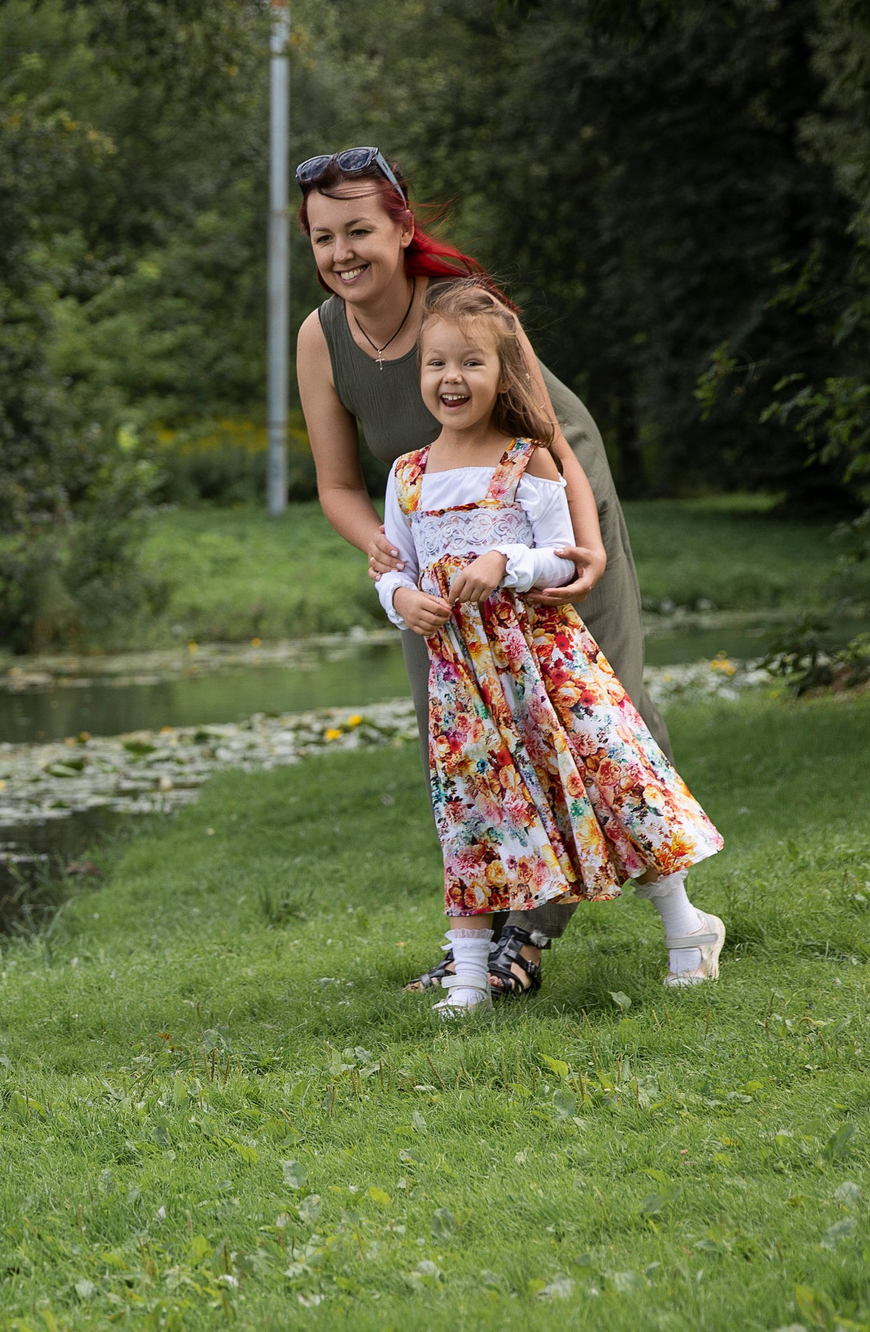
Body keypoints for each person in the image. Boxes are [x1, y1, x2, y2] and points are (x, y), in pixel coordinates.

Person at [292, 145, 667, 997]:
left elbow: (554, 439)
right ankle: (484, 929)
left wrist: (588, 545)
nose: (341, 253)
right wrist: (384, 554)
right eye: (323, 238)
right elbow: (339, 483)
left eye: (359, 230)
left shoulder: (466, 307)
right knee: (464, 735)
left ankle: (529, 938)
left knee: (585, 709)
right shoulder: (320, 337)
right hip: (440, 537)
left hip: (546, 507)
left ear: (402, 227)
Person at [379, 280, 725, 1015]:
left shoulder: (528, 460)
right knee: (472, 813)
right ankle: (470, 977)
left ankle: (687, 929)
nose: (452, 378)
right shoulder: (408, 477)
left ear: (504, 374)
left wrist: (508, 562)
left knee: (615, 787)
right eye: (437, 363)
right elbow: (394, 570)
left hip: (551, 666)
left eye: (472, 363)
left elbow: (564, 557)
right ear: (420, 375)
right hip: (466, 684)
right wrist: (402, 600)